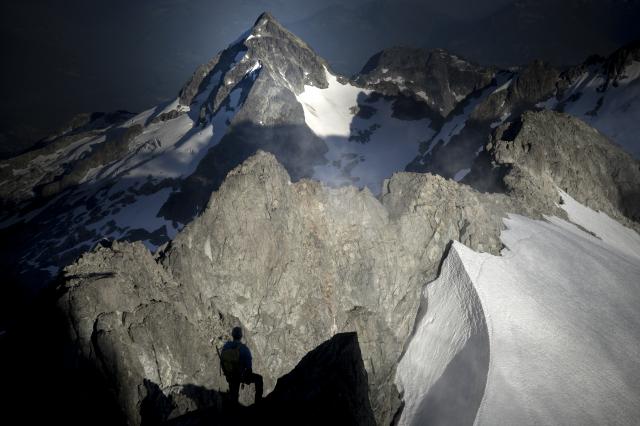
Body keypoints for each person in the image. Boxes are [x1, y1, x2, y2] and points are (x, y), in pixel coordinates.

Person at [219, 326, 263, 404]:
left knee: (234, 395)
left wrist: (227, 373)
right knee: (259, 379)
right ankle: (258, 403)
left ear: (232, 335)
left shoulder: (226, 346)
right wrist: (247, 375)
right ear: (241, 336)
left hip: (230, 376)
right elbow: (249, 366)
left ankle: (231, 410)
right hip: (241, 375)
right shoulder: (244, 348)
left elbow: (222, 360)